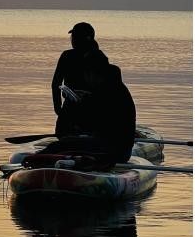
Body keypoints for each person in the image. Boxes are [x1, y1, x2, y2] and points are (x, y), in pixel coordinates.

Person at [42, 22, 136, 164]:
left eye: (75, 36)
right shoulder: (67, 56)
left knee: (67, 143)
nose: (72, 39)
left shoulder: (99, 62)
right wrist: (58, 109)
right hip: (76, 107)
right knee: (65, 138)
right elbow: (56, 83)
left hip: (101, 130)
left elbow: (105, 114)